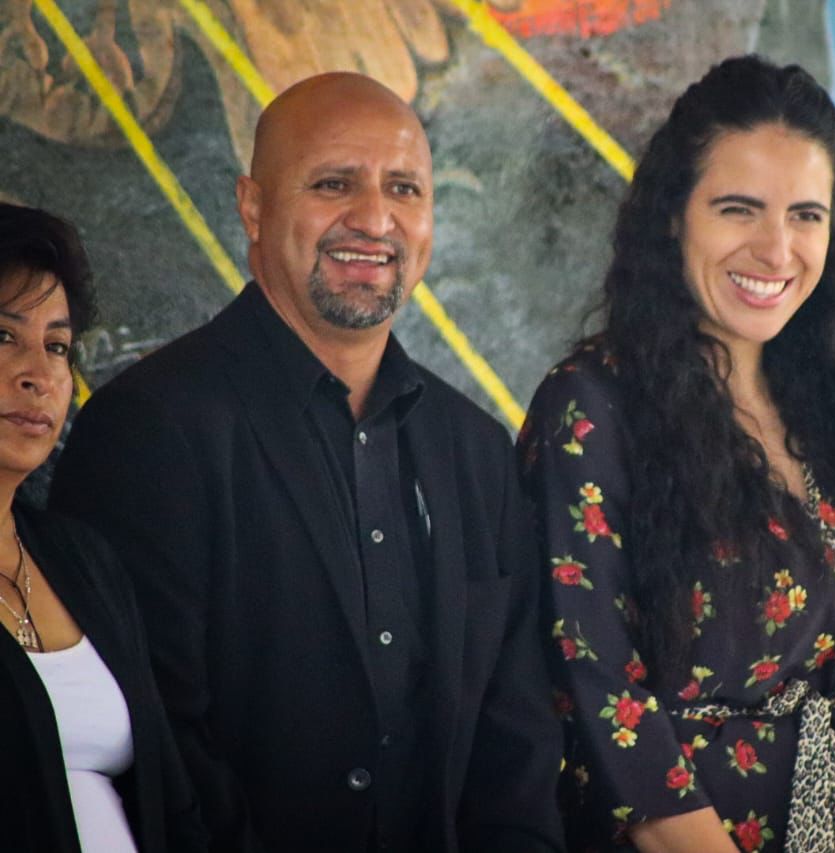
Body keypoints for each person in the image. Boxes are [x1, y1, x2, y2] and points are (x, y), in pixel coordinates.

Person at [49, 73, 563, 852]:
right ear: (253, 206)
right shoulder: (149, 430)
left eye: (404, 188)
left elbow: (517, 746)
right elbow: (165, 747)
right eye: (333, 183)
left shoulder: (477, 452)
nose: (375, 218)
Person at [517, 55, 835, 853]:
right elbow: (595, 684)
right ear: (672, 216)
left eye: (806, 214)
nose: (776, 248)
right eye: (739, 209)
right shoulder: (592, 405)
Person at [0, 203, 206, 852]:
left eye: (57, 346)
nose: (38, 374)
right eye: (3, 336)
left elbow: (170, 795)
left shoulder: (81, 559)